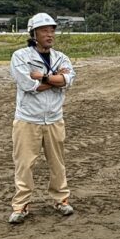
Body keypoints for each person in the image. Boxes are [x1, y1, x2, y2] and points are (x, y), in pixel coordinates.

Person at [8, 12, 76, 224]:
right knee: (24, 164)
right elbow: (28, 85)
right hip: (28, 119)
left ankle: (61, 199)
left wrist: (44, 77)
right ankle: (21, 205)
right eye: (45, 30)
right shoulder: (21, 56)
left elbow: (68, 80)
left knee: (58, 163)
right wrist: (55, 79)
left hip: (54, 118)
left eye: (52, 30)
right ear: (33, 33)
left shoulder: (61, 57)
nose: (50, 34)